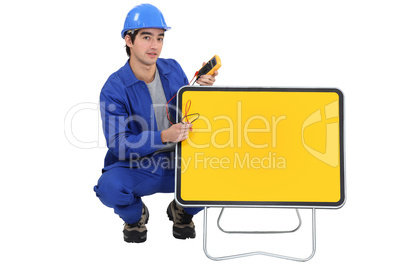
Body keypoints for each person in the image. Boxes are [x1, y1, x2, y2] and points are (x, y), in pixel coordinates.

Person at [93, 3, 218, 243]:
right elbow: (118, 145)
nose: (155, 46)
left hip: (181, 161)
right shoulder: (114, 89)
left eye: (160, 38)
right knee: (109, 188)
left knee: (222, 174)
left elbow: (189, 115)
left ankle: (182, 209)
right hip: (139, 167)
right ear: (129, 40)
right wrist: (163, 136)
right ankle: (135, 216)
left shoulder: (172, 68)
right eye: (146, 37)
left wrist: (202, 91)